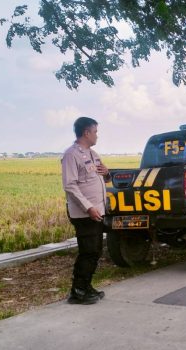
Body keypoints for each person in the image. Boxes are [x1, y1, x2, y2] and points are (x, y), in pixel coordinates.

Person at [61, 117, 111, 305]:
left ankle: (85, 286)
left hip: (96, 211)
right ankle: (78, 291)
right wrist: (88, 207)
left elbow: (100, 179)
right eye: (95, 131)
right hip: (84, 213)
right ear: (86, 133)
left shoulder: (93, 154)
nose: (97, 135)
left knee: (94, 251)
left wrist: (107, 173)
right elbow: (70, 186)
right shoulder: (71, 155)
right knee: (88, 251)